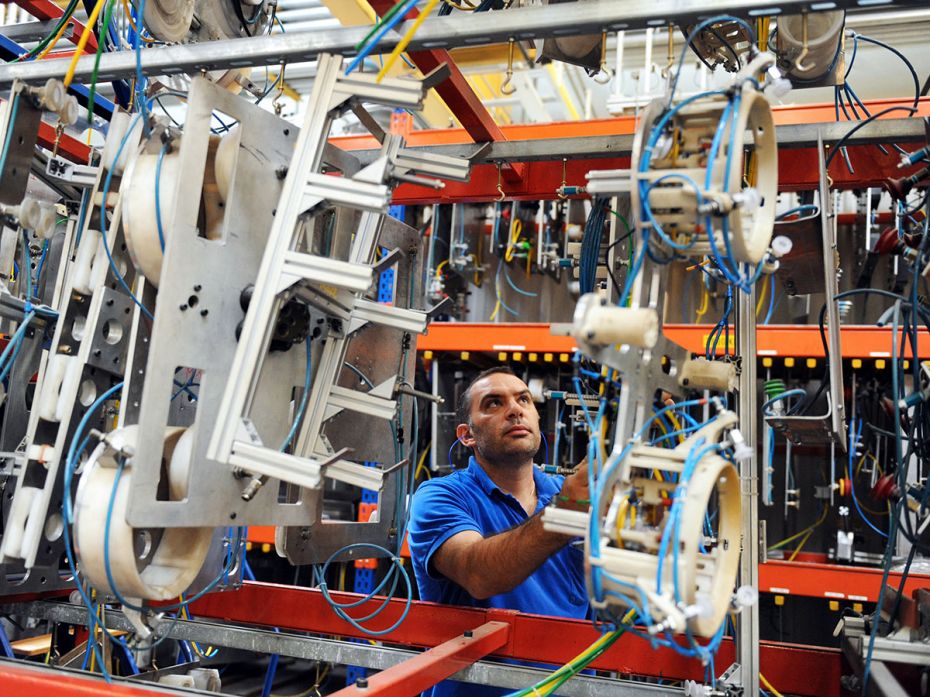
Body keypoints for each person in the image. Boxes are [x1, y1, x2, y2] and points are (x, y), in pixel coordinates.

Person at [408, 366, 591, 697]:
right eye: (493, 403)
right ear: (467, 435)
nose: (515, 409)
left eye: (524, 399)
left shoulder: (564, 494)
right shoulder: (440, 497)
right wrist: (566, 511)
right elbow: (478, 574)